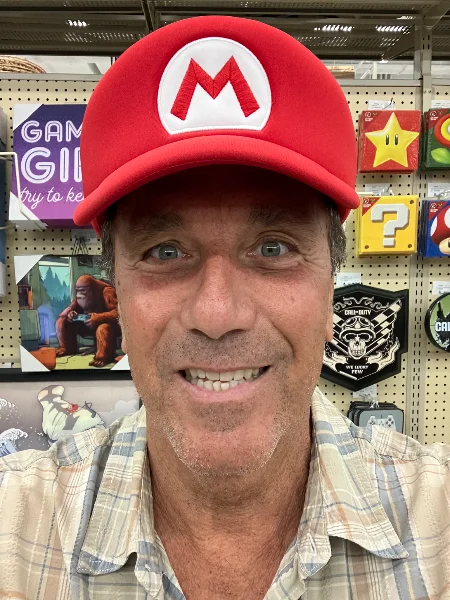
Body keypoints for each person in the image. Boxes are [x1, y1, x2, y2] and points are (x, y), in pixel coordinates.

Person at [1, 15, 449, 600]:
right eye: (165, 252)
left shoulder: (438, 525)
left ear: (330, 288)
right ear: (117, 294)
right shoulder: (16, 528)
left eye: (273, 248)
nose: (217, 315)